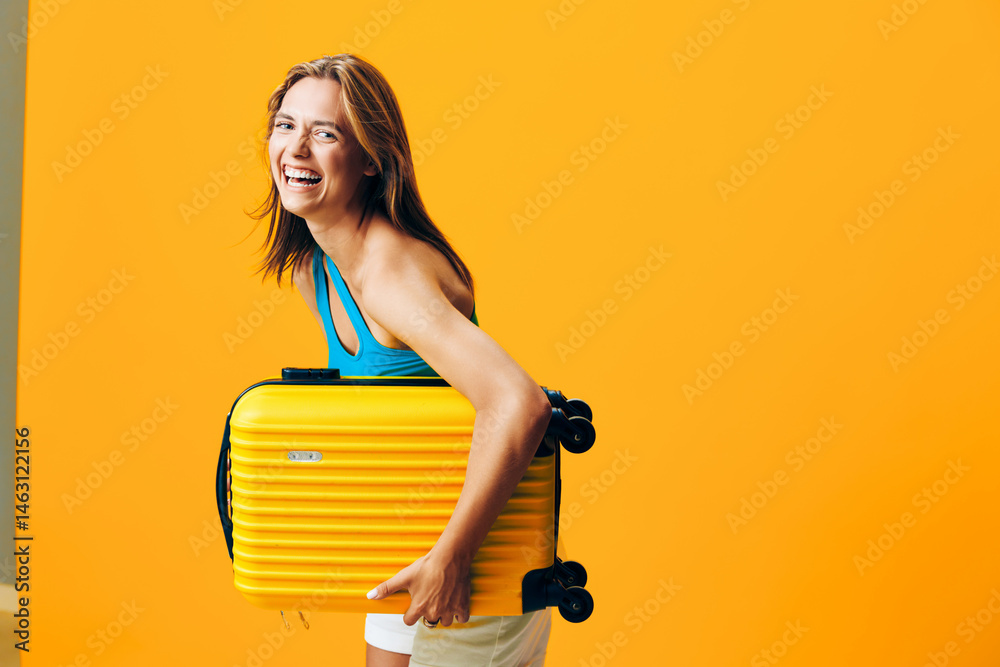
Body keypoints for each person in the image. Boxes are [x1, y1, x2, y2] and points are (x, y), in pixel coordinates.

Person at [248, 53, 555, 666]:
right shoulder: (316, 268)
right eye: (286, 125)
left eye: (325, 133)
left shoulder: (392, 275)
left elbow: (519, 403)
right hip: (404, 545)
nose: (296, 149)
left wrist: (453, 556)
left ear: (370, 158)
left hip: (475, 559)